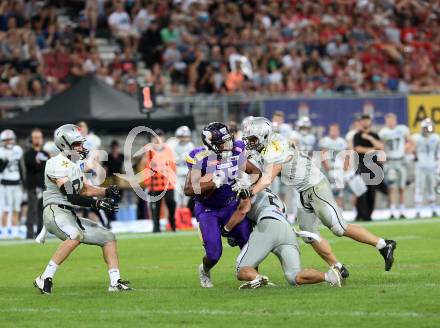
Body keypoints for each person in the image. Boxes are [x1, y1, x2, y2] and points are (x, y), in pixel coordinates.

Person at [237, 117, 397, 272]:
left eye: (253, 139)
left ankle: (383, 245)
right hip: (302, 190)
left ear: (264, 135)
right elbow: (255, 171)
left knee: (339, 228)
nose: (250, 143)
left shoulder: (276, 145)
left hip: (315, 186)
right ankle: (337, 267)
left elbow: (268, 177)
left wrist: (249, 191)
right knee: (309, 234)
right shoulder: (264, 147)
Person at [34, 124, 130, 294]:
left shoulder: (74, 164)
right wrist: (96, 203)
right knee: (75, 235)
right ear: (65, 144)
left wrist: (105, 191)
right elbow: (71, 195)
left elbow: (83, 189)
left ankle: (115, 282)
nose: (81, 147)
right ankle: (44, 278)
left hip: (68, 214)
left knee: (108, 237)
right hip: (55, 211)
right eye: (77, 144)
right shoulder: (56, 163)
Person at [184, 122, 261, 288]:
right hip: (207, 209)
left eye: (227, 140)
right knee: (213, 254)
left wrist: (247, 185)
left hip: (230, 206)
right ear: (210, 143)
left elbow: (255, 172)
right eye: (221, 142)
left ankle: (254, 277)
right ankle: (204, 270)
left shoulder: (236, 150)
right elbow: (189, 189)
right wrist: (214, 183)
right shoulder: (200, 157)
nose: (227, 145)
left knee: (248, 244)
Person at [223, 188, 343, 289]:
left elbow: (242, 211)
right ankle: (329, 276)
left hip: (268, 226)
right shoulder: (276, 198)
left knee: (241, 269)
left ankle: (257, 278)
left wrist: (227, 230)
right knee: (294, 276)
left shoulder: (249, 191)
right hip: (288, 231)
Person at [378, 113, 412, 219]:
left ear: (395, 120)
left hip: (401, 161)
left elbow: (410, 141)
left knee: (402, 187)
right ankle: (392, 211)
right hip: (390, 161)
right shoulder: (384, 132)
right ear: (386, 121)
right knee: (391, 188)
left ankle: (402, 211)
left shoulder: (402, 129)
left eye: (392, 120)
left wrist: (406, 150)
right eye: (388, 120)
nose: (390, 122)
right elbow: (381, 145)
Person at [143, 129, 176, 232]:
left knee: (171, 203)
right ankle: (156, 227)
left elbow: (172, 165)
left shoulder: (168, 149)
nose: (157, 138)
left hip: (167, 183)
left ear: (163, 137)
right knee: (155, 206)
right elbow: (145, 167)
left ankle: (172, 223)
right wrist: (147, 182)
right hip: (154, 183)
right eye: (155, 136)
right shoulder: (148, 150)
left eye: (159, 136)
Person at [353, 114, 385, 221]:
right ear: (361, 122)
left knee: (372, 191)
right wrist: (373, 148)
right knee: (361, 191)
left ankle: (368, 215)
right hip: (362, 165)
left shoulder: (374, 135)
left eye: (367, 120)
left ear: (370, 122)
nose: (365, 122)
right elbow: (358, 149)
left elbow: (381, 147)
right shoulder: (357, 135)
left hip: (374, 166)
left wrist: (370, 138)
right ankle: (360, 214)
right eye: (363, 120)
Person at [412, 118, 440, 218]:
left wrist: (437, 166)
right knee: (419, 188)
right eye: (425, 127)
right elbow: (412, 151)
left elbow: (438, 153)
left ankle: (433, 209)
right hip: (420, 167)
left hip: (432, 167)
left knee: (432, 189)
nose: (427, 130)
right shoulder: (416, 138)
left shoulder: (436, 138)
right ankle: (418, 211)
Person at [24, 128, 49, 239]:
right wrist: (42, 163)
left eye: (39, 137)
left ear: (42, 139)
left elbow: (48, 168)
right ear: (31, 139)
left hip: (44, 186)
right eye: (35, 137)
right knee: (32, 210)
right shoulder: (28, 154)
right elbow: (34, 166)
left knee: (42, 211)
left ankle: (40, 232)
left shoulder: (45, 153)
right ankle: (29, 234)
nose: (37, 140)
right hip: (33, 186)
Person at [0, 129, 24, 239]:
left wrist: (23, 181)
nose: (9, 142)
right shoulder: (1, 151)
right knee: (6, 209)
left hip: (17, 184)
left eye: (10, 139)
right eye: (7, 140)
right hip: (6, 184)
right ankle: (4, 232)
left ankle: (14, 232)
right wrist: (7, 160)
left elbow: (19, 167)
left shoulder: (17, 149)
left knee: (16, 209)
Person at [319, 124, 348, 208]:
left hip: (339, 169)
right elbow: (323, 156)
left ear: (338, 131)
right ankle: (330, 213)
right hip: (329, 169)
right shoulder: (325, 141)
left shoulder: (342, 141)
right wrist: (329, 170)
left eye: (336, 130)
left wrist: (346, 170)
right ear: (329, 131)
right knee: (328, 192)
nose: (334, 132)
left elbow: (345, 156)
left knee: (339, 192)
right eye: (332, 130)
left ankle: (340, 212)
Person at [170, 126, 194, 209]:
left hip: (188, 174)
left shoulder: (191, 146)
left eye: (185, 136)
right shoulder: (174, 146)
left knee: (186, 198)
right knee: (177, 197)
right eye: (181, 136)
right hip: (177, 174)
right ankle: (178, 217)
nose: (183, 139)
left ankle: (184, 216)